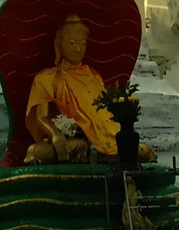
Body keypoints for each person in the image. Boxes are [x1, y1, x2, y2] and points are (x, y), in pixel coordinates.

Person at [24, 15, 119, 164]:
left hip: (100, 140)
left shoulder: (94, 77)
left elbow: (104, 116)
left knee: (137, 148)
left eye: (83, 43)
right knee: (36, 152)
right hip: (70, 140)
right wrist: (55, 134)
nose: (78, 49)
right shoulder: (46, 78)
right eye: (72, 43)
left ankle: (103, 153)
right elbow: (41, 118)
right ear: (58, 44)